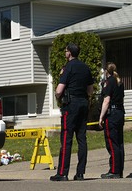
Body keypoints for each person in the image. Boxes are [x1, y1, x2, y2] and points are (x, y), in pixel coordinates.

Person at [50, 43, 94, 181]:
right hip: (83, 103)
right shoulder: (86, 68)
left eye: (65, 51)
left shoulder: (68, 67)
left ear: (69, 53)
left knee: (66, 139)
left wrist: (58, 96)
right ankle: (80, 173)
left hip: (71, 105)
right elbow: (90, 91)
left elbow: (59, 90)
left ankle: (62, 173)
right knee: (82, 139)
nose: (65, 53)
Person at [98, 62, 125, 179]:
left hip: (112, 114)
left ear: (106, 71)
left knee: (112, 143)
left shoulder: (109, 82)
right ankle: (119, 170)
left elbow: (106, 100)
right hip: (120, 113)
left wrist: (101, 117)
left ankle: (114, 171)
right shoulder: (119, 82)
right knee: (119, 143)